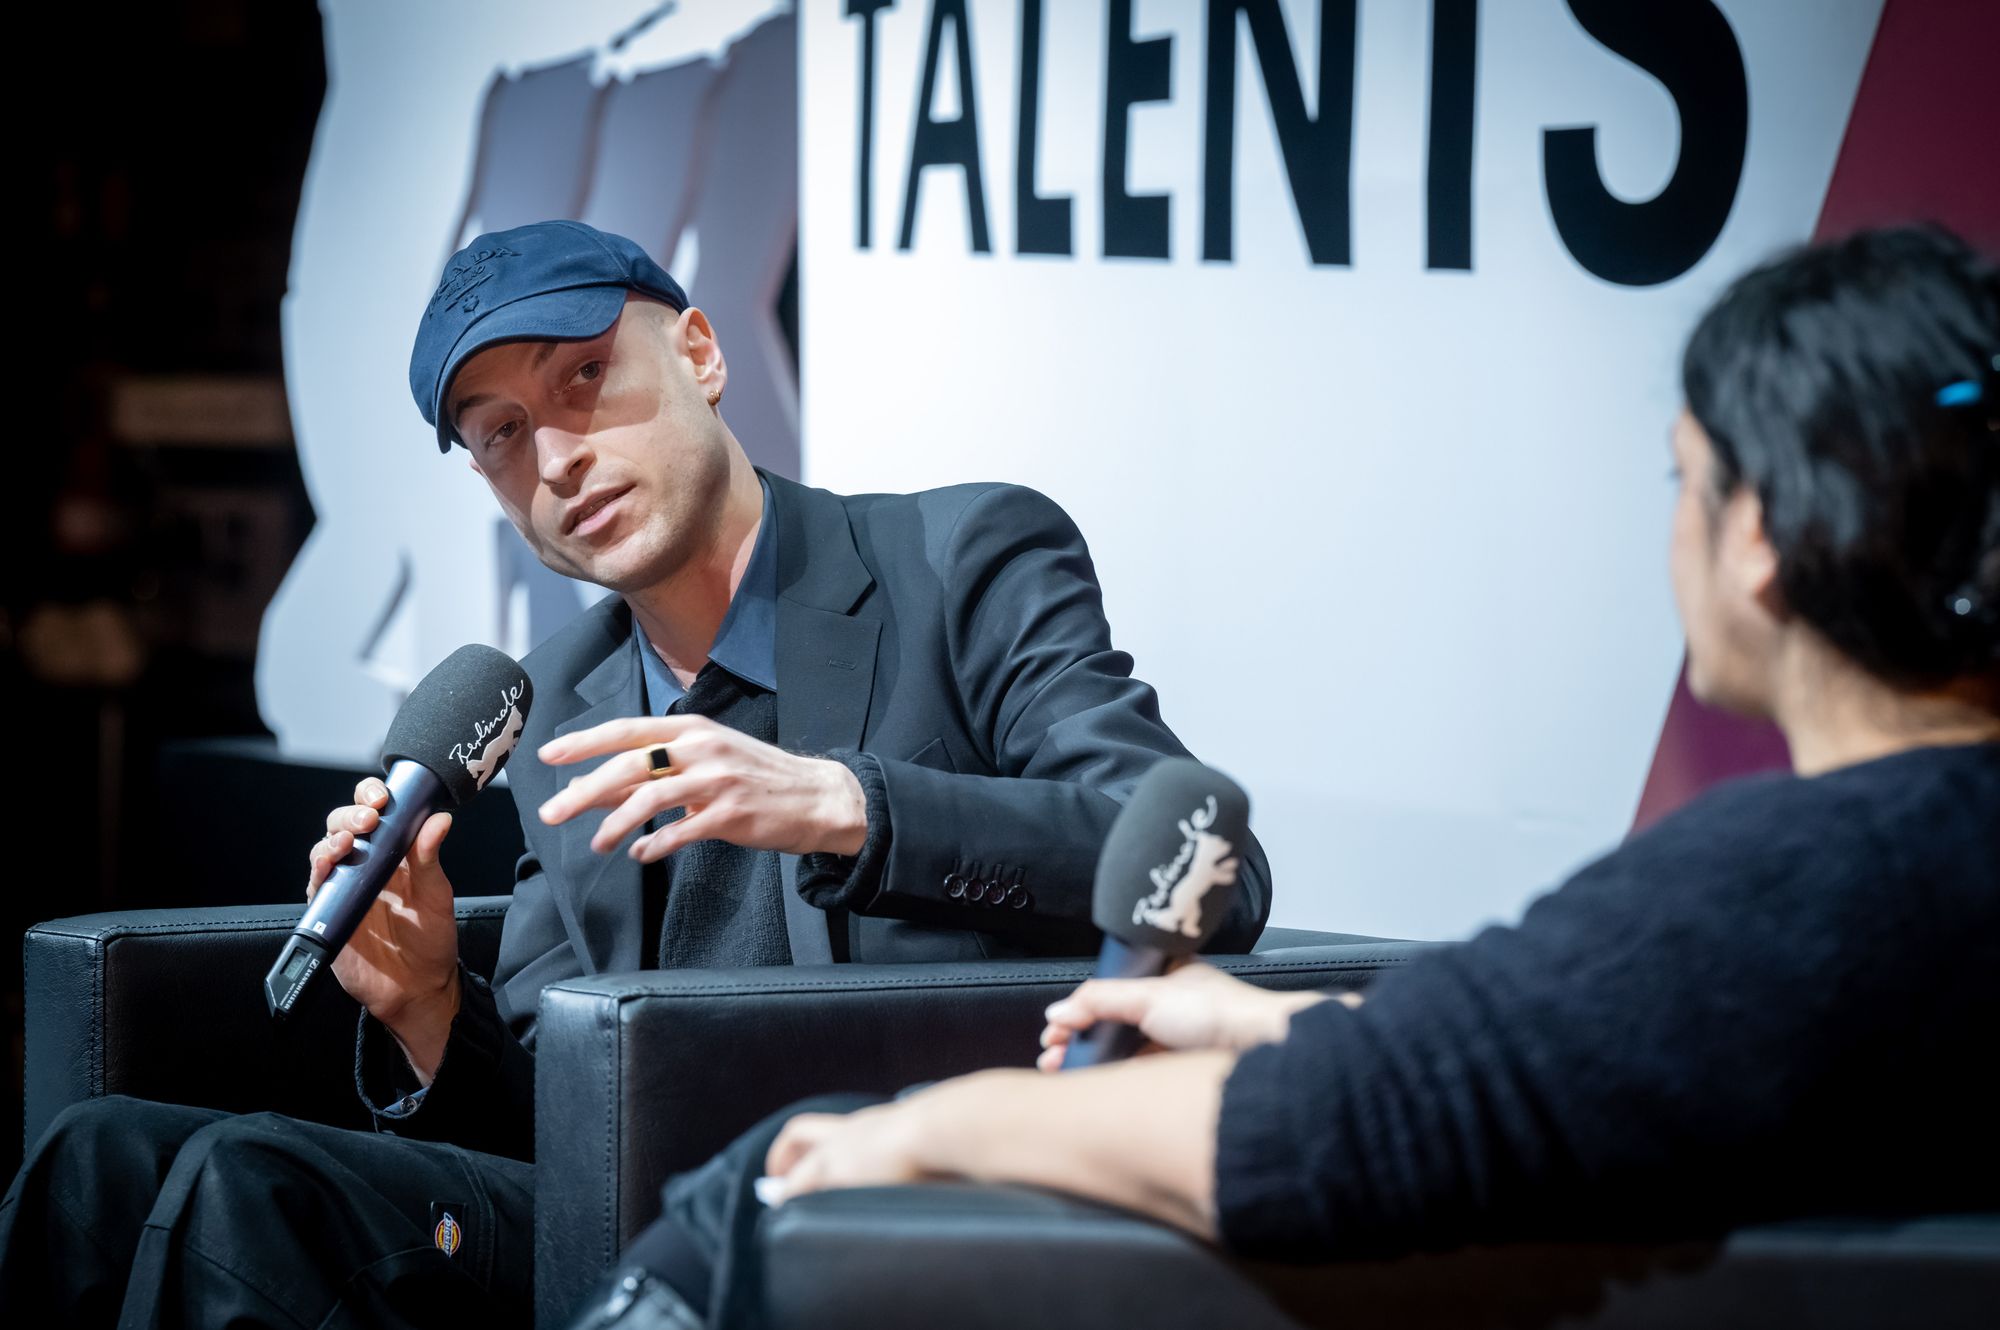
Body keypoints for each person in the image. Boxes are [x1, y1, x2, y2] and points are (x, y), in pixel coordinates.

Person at [594, 226, 2000, 1326]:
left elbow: (1347, 1131)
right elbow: (1578, 1055)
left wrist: (925, 1128)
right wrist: (1274, 1026)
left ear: (1756, 537)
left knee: (788, 1165)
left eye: (1682, 480)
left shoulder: (1807, 874)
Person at [0, 219, 1270, 1327]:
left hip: (864, 1186)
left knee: (247, 1192)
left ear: (703, 355)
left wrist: (844, 805)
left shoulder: (963, 558)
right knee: (95, 1160)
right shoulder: (555, 697)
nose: (555, 457)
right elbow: (558, 1124)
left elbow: (1206, 869)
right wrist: (431, 1004)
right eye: (501, 434)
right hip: (629, 1210)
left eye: (587, 379)